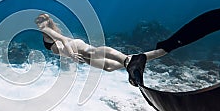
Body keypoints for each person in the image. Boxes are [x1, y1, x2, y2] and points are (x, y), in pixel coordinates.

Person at [35, 13, 167, 85]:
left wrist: (72, 54)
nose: (38, 25)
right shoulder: (47, 30)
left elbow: (63, 41)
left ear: (44, 23)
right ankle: (153, 54)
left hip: (75, 48)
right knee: (108, 67)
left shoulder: (46, 30)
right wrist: (70, 56)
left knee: (96, 51)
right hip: (75, 50)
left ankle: (126, 59)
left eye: (39, 22)